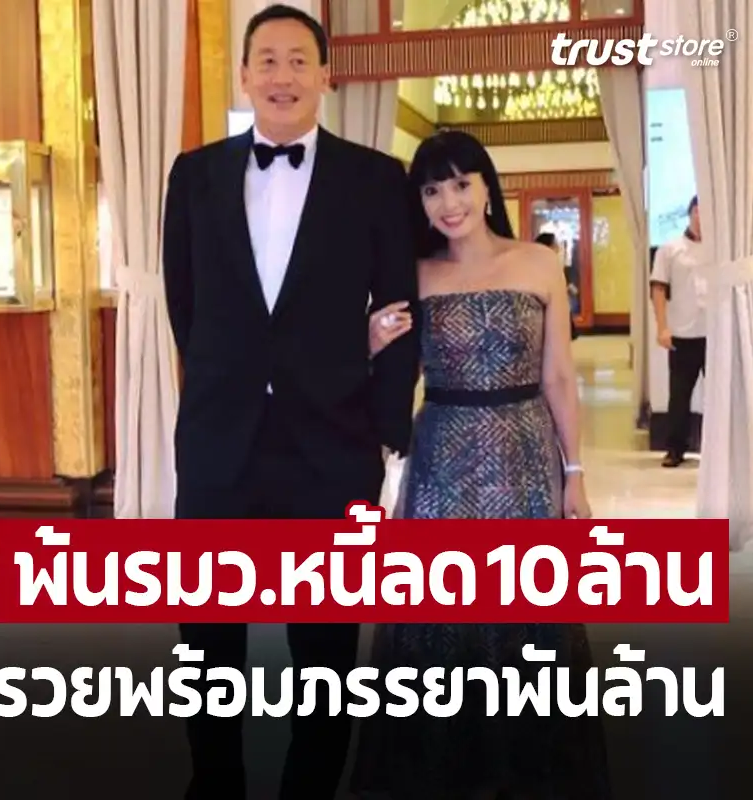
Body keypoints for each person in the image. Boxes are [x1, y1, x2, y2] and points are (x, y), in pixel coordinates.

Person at [162, 5, 420, 799]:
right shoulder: (194, 175)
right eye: (267, 60)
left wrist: (382, 431)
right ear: (243, 75)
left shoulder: (375, 179)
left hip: (331, 444)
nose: (283, 75)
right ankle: (215, 783)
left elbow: (401, 309)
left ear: (326, 75)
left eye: (299, 60)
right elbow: (184, 305)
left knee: (326, 650)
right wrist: (226, 382)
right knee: (208, 640)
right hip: (219, 443)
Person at [350, 130, 609, 800]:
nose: (449, 203)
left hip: (524, 452)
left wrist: (574, 474)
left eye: (461, 184)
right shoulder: (414, 272)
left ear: (487, 187)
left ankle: (527, 767)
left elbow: (558, 377)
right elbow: (388, 375)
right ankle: (444, 768)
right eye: (432, 190)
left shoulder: (538, 263)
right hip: (441, 454)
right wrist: (369, 342)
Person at [649, 195, 706, 467]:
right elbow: (658, 288)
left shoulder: (720, 249)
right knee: (680, 395)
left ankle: (719, 448)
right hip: (683, 333)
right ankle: (675, 449)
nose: (702, 218)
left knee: (721, 394)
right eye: (698, 211)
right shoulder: (670, 249)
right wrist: (662, 327)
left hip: (715, 333)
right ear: (691, 213)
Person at [535, 230, 579, 340]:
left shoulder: (550, 261)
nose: (558, 246)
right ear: (548, 246)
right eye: (555, 243)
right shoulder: (547, 262)